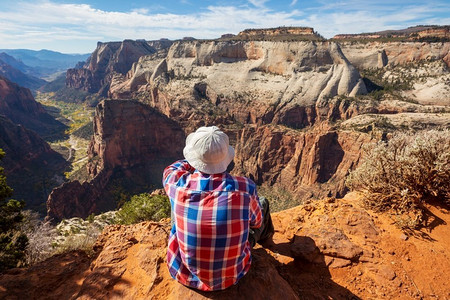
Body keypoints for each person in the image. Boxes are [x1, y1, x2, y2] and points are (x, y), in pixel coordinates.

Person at [163, 126, 274, 291]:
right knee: (262, 203)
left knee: (177, 207)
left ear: (194, 158)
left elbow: (170, 170)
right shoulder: (245, 188)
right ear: (226, 157)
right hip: (233, 274)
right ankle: (269, 243)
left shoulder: (177, 185)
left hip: (185, 273)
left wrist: (196, 159)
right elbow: (256, 223)